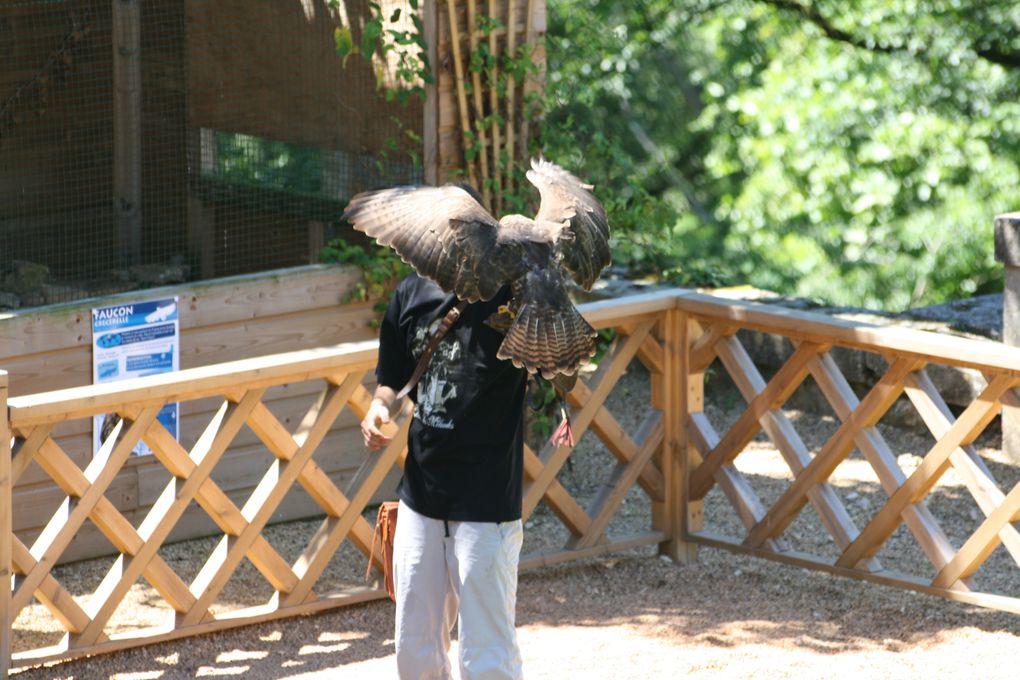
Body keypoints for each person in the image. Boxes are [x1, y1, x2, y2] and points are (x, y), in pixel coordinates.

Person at [361, 271, 529, 680]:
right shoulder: (410, 292)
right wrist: (379, 407)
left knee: (487, 655)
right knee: (415, 647)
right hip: (420, 494)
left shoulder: (514, 293)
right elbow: (394, 379)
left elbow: (559, 362)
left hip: (486, 500)